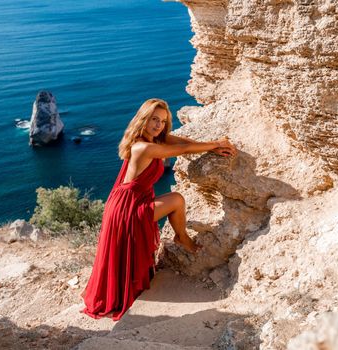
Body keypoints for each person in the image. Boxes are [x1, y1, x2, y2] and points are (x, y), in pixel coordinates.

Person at [81, 98, 236, 321]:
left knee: (171, 204)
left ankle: (180, 238)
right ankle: (182, 238)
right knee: (176, 199)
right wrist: (215, 144)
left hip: (128, 201)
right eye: (154, 119)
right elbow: (184, 149)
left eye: (163, 121)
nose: (158, 125)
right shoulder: (145, 147)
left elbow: (182, 141)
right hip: (127, 207)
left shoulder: (151, 139)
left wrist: (211, 144)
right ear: (143, 120)